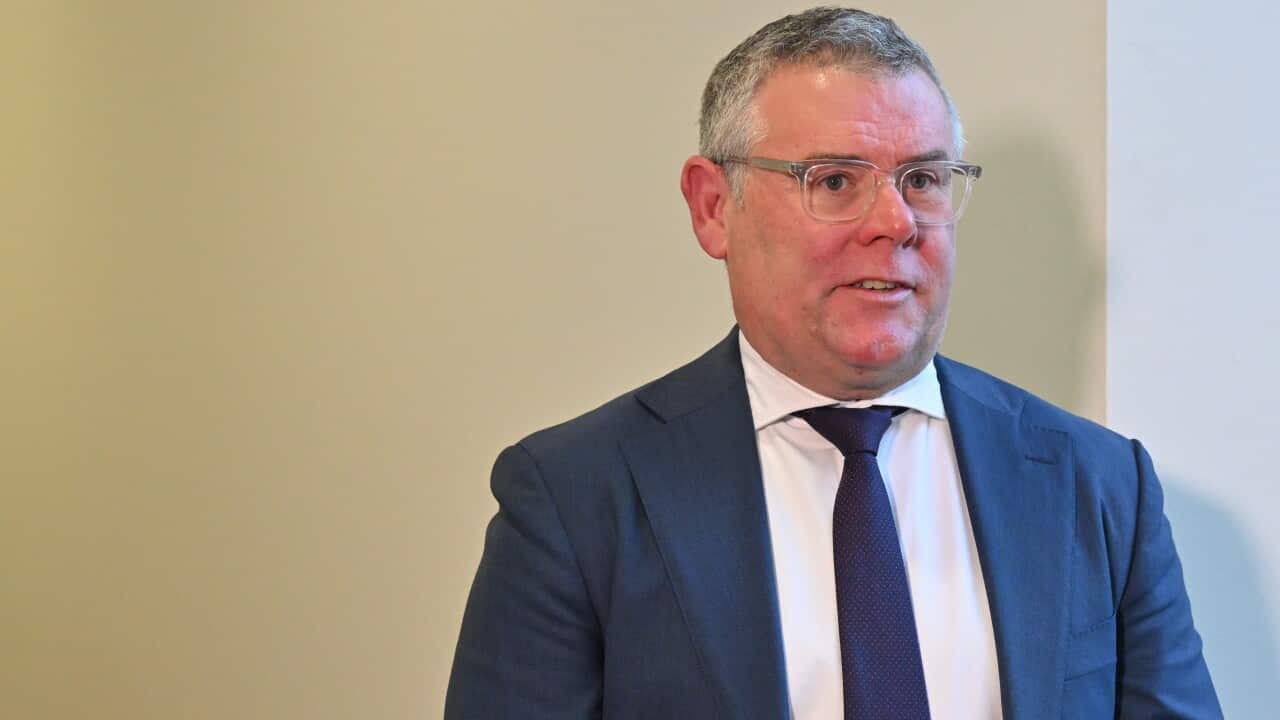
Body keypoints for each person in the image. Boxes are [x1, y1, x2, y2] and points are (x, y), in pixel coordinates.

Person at [444, 7, 1220, 719]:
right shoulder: (576, 497)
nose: (896, 222)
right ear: (714, 206)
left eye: (922, 179)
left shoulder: (1101, 484)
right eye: (836, 181)